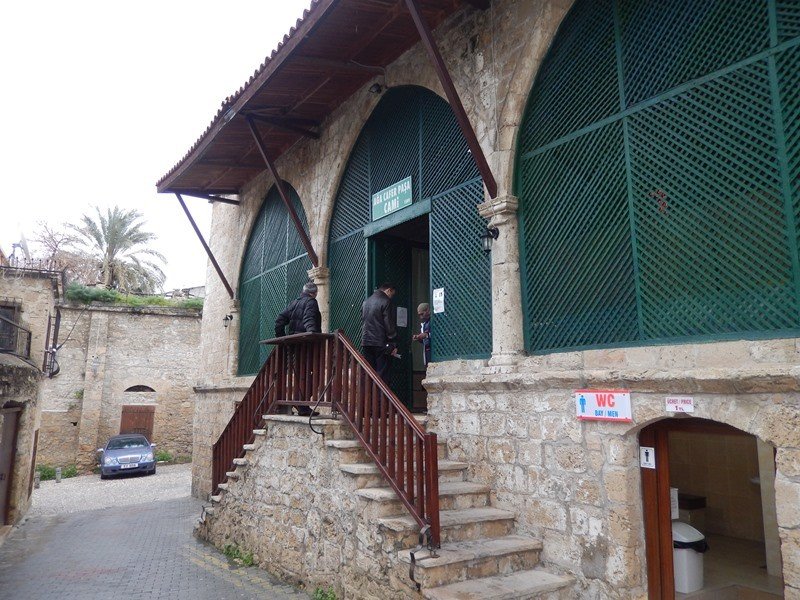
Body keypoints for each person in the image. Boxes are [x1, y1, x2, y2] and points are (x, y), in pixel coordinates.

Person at [275, 281, 321, 416]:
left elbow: (279, 320)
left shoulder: (294, 303)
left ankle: (301, 405)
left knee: (301, 374)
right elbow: (308, 319)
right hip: (307, 345)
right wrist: (312, 334)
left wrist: (282, 338)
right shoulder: (311, 302)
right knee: (315, 374)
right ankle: (301, 404)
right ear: (314, 293)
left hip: (295, 345)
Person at [361, 282, 398, 384]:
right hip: (381, 343)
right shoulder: (386, 301)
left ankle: (369, 394)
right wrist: (393, 343)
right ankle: (380, 395)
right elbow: (389, 324)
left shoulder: (366, 302)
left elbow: (363, 320)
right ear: (389, 290)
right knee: (382, 375)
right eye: (392, 294)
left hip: (366, 342)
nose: (391, 297)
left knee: (369, 373)